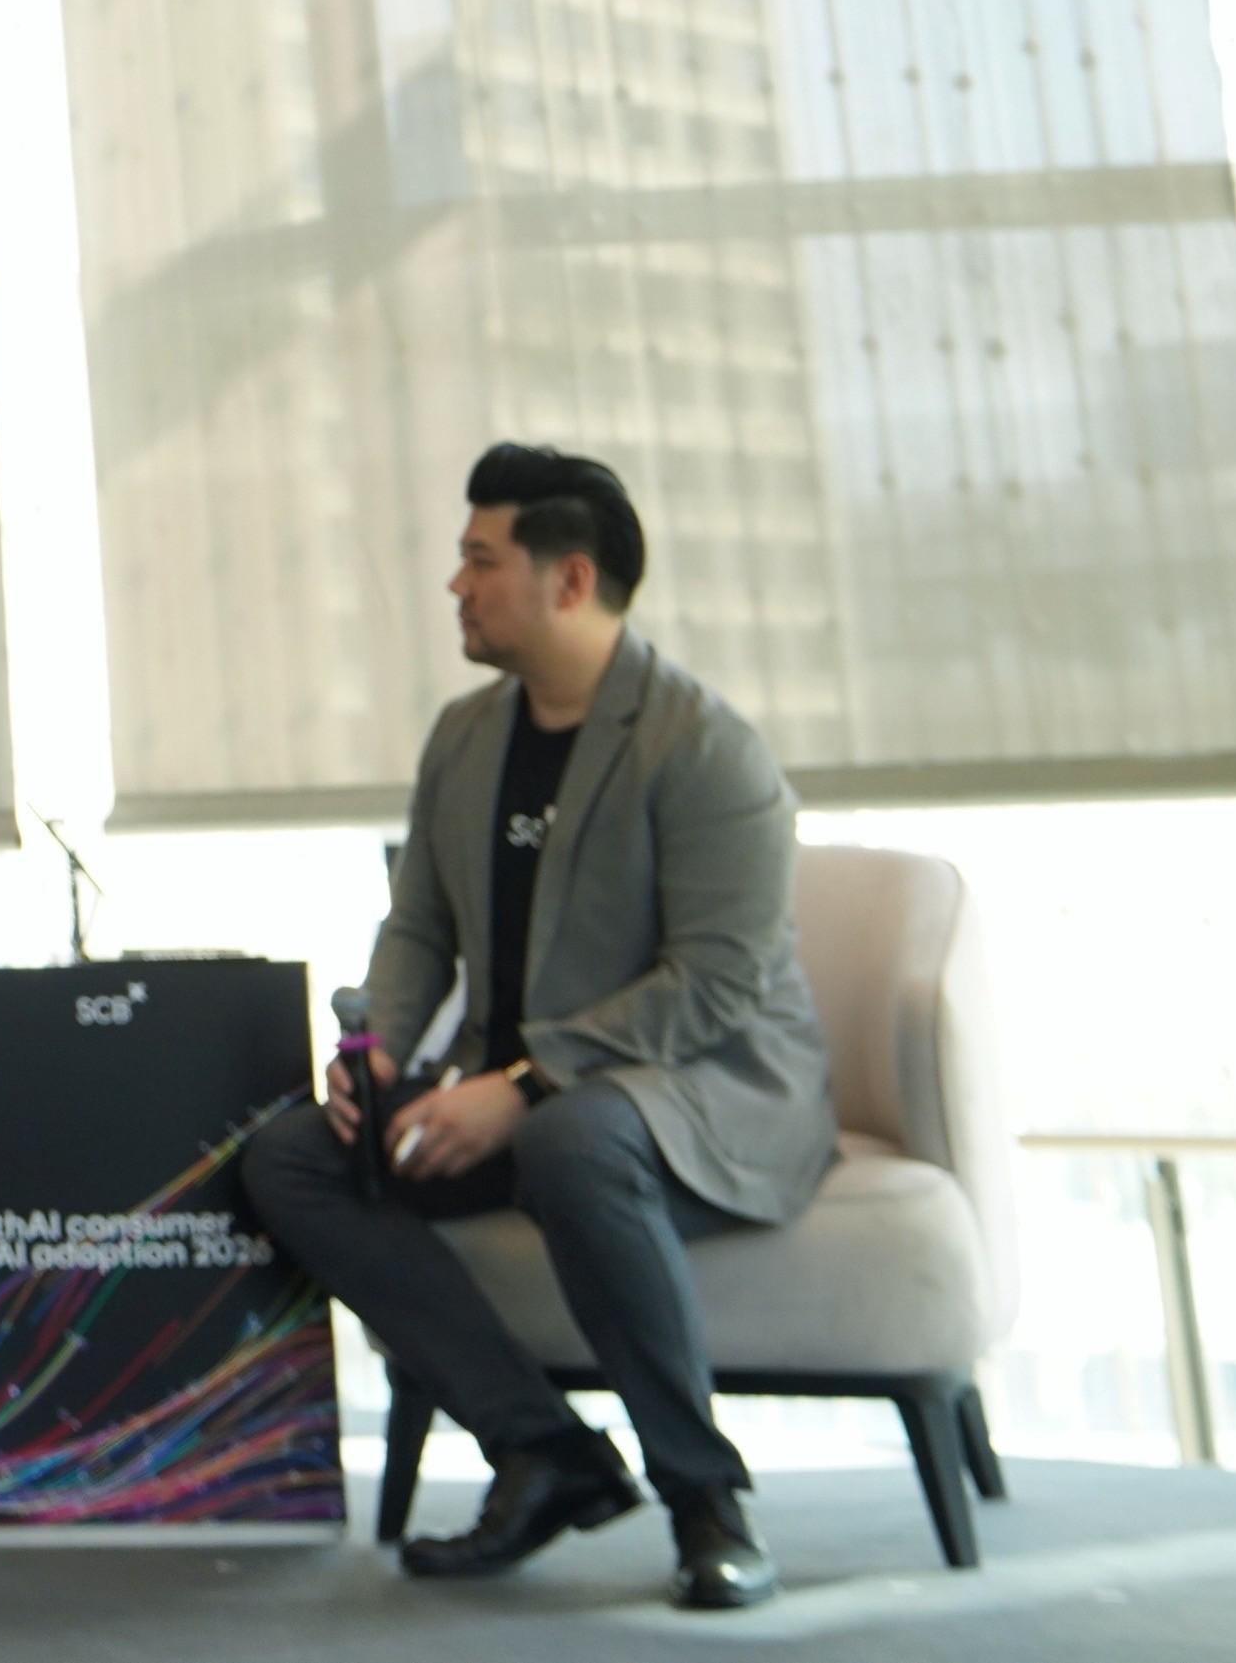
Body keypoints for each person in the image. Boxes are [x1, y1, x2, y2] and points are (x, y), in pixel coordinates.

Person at [238, 448, 836, 1615]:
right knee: (295, 1156)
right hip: (522, 1092)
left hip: (700, 1092)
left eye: (479, 560)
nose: (455, 586)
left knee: (572, 1138)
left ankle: (706, 1499)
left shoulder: (703, 745)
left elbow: (715, 982)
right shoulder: (466, 737)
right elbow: (419, 924)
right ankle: (541, 1449)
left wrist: (522, 1082)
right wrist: (379, 1053)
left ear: (568, 580)